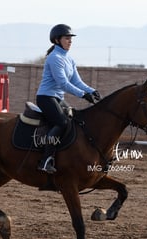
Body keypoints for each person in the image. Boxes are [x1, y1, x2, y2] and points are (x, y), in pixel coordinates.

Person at [36, 23, 101, 174]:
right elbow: (63, 83)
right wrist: (83, 95)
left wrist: (92, 91)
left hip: (57, 98)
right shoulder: (55, 58)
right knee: (62, 122)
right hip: (46, 97)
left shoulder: (69, 59)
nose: (70, 41)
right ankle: (46, 160)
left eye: (71, 39)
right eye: (67, 38)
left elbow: (77, 81)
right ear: (57, 40)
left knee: (74, 120)